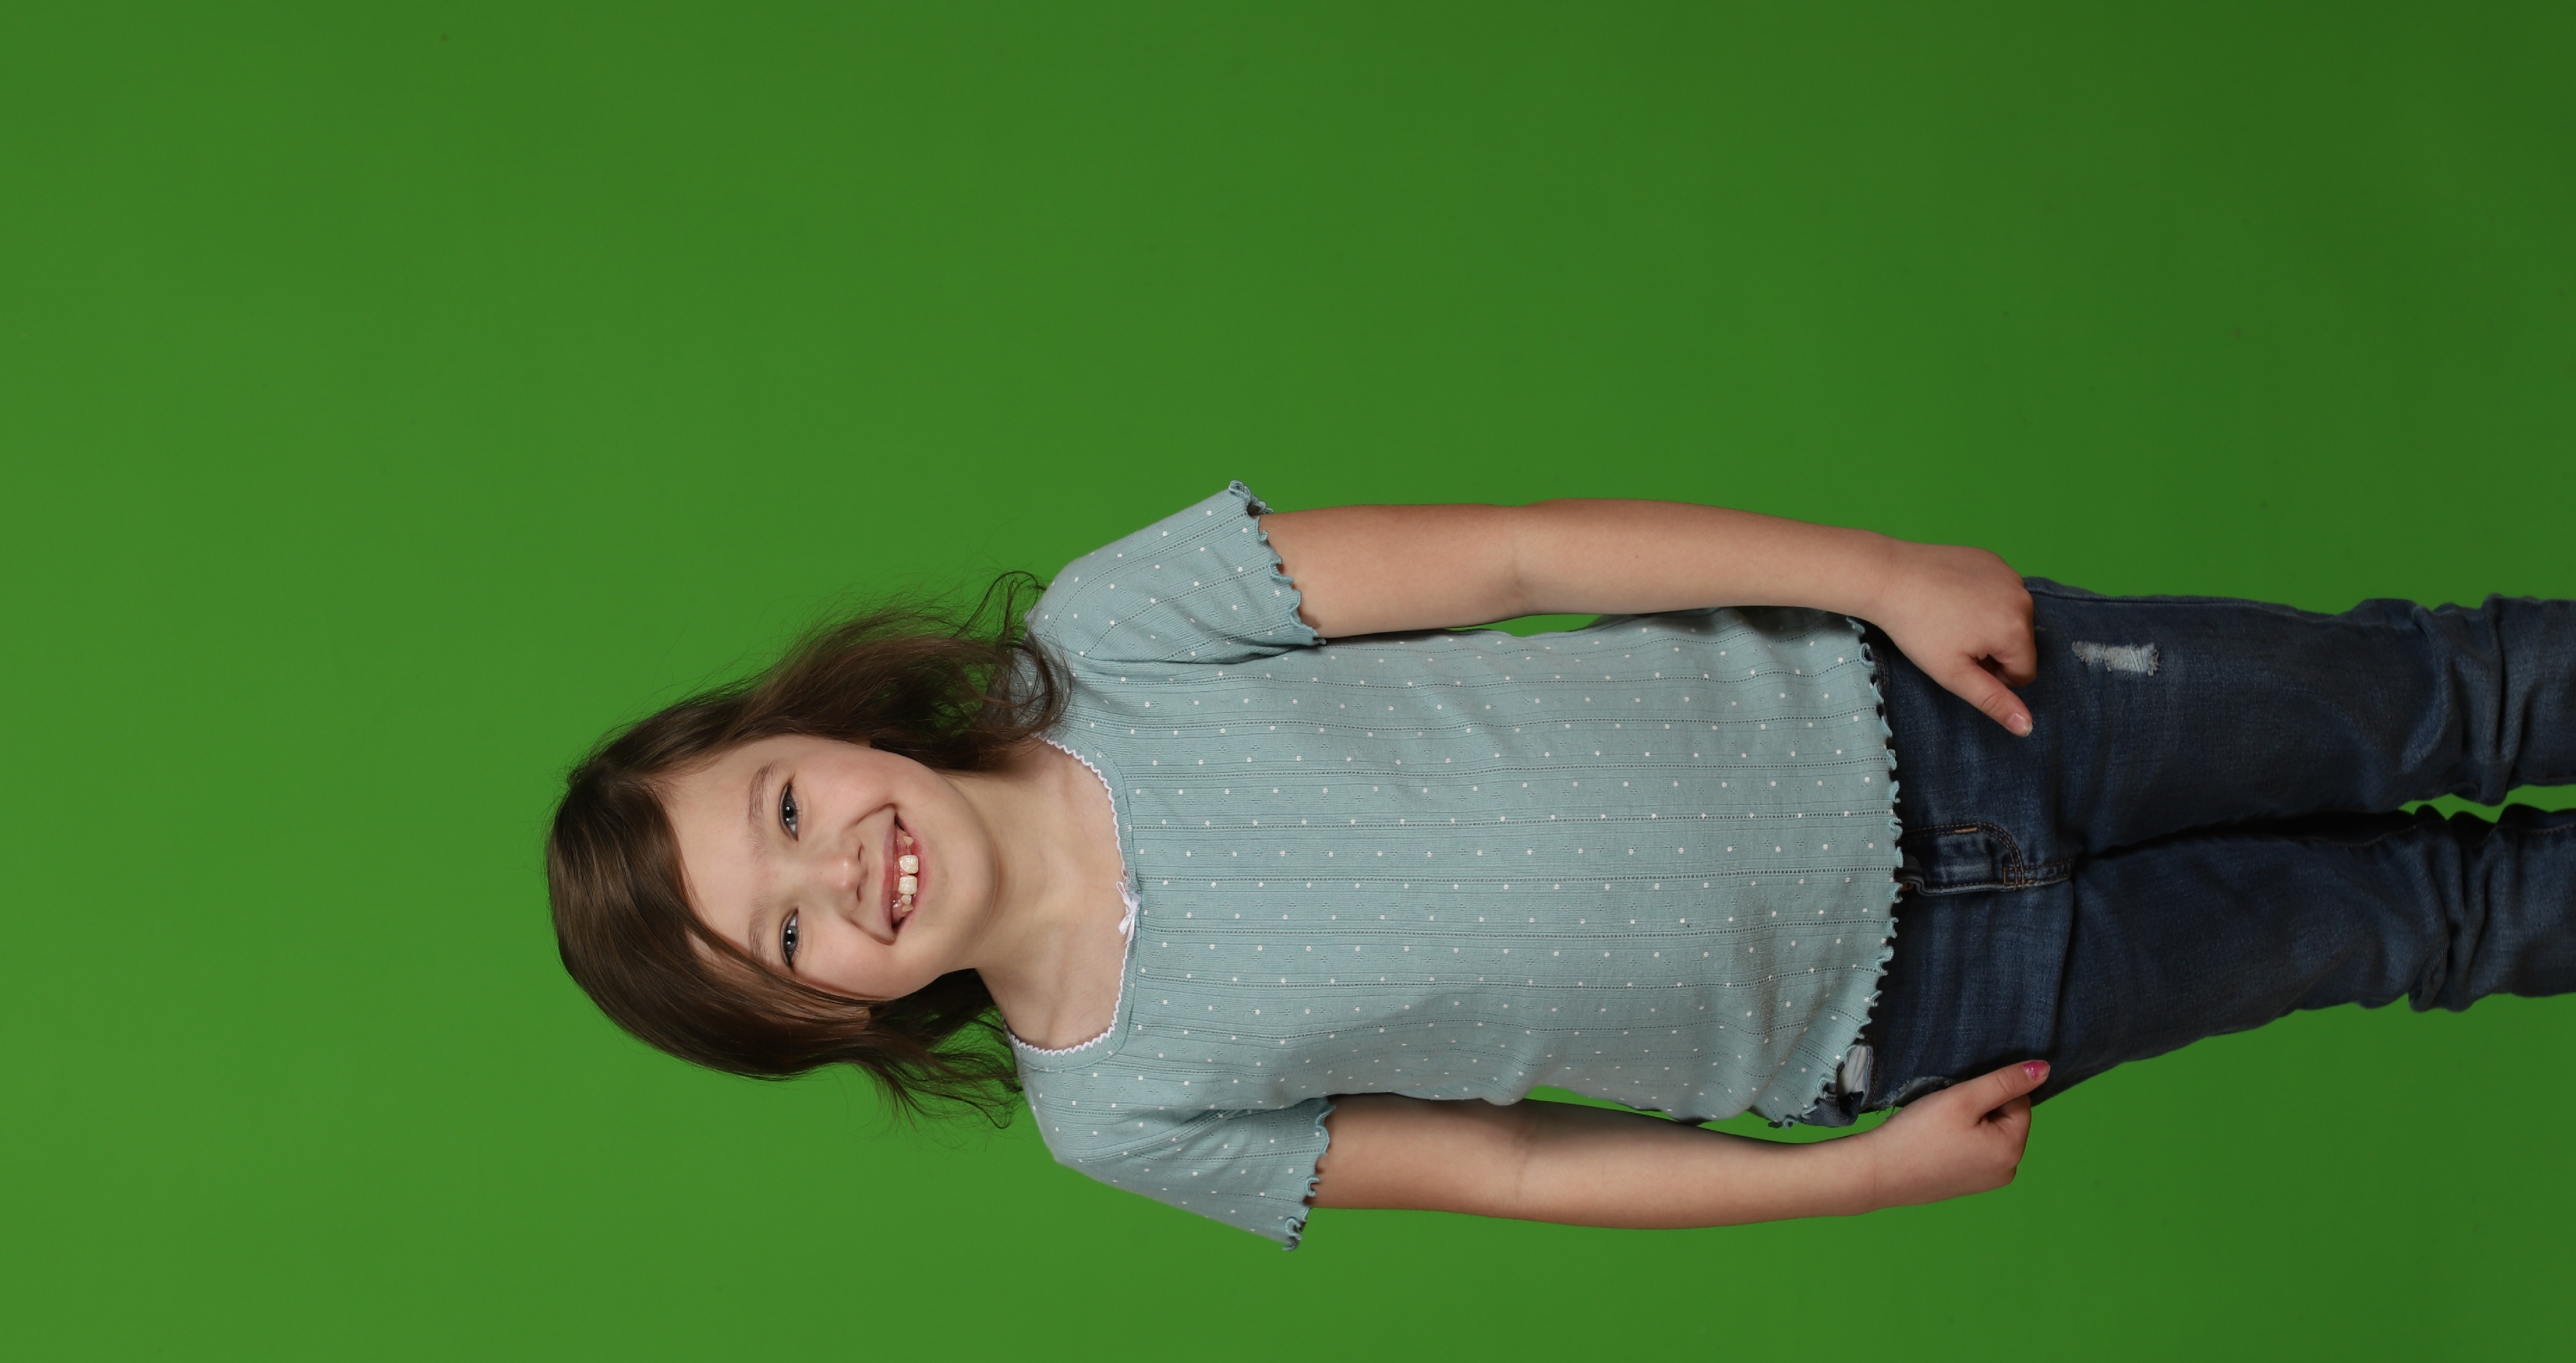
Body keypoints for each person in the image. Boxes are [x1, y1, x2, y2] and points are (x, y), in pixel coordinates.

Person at [547, 482, 2576, 1248]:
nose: (839, 875)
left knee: (2431, 699)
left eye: (783, 812)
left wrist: (1875, 573)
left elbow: (1520, 555)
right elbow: (1511, 1168)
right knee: (2420, 922)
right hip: (1927, 1015)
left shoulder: (1117, 631)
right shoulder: (1118, 1110)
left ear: (810, 723)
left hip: (1932, 712)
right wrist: (1851, 1180)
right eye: (786, 935)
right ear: (833, 1016)